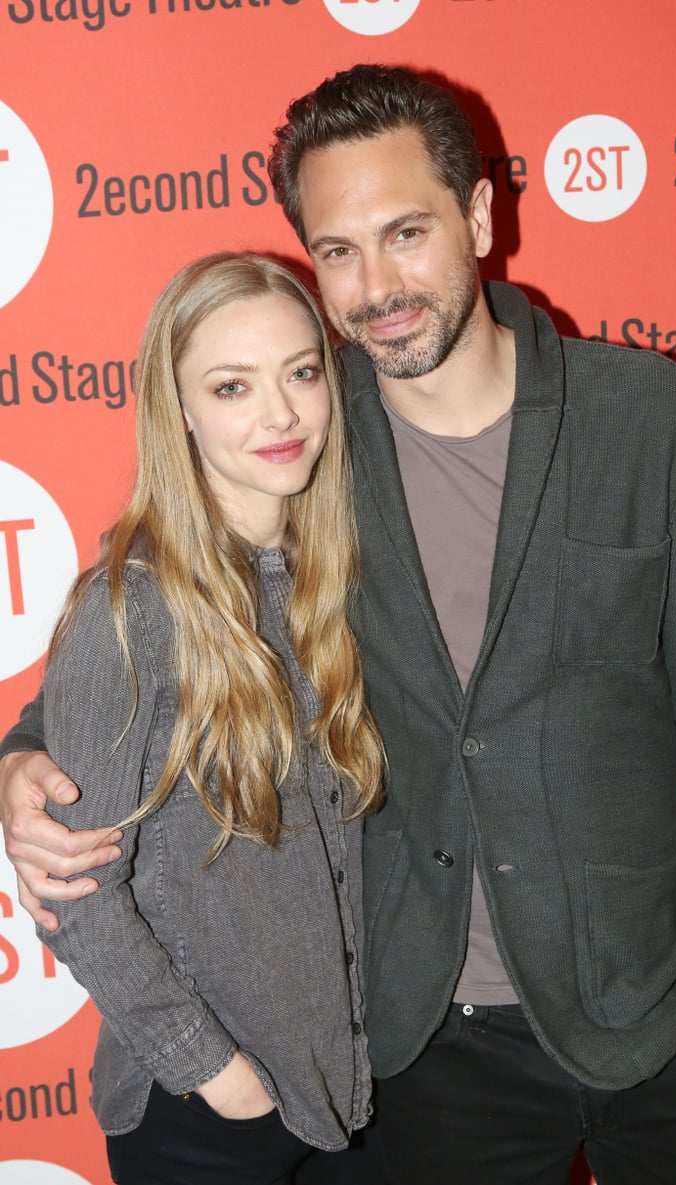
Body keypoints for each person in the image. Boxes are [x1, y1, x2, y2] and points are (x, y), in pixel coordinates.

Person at [1, 65, 676, 1185]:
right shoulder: (308, 444)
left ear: (478, 216)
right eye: (337, 251)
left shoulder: (652, 421)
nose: (379, 285)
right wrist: (22, 758)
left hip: (665, 1009)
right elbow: (149, 641)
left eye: (407, 231)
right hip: (424, 1047)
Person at [2, 251, 385, 1185]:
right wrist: (218, 1076)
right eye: (232, 386)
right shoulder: (133, 607)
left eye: (301, 372)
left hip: (356, 1092)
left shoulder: (341, 574)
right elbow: (75, 894)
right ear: (178, 408)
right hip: (210, 1120)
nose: (282, 414)